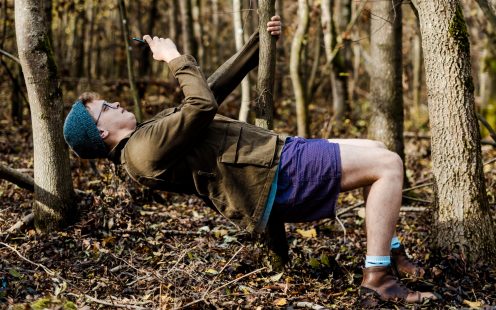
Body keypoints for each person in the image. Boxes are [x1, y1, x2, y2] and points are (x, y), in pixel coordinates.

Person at [63, 16, 436, 304]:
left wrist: (259, 43)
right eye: (106, 108)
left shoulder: (145, 136)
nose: (116, 104)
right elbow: (201, 104)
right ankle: (378, 279)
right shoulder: (142, 152)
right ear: (101, 133)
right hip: (276, 173)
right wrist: (174, 58)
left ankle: (389, 249)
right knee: (387, 166)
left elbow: (209, 92)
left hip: (275, 157)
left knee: (375, 148)